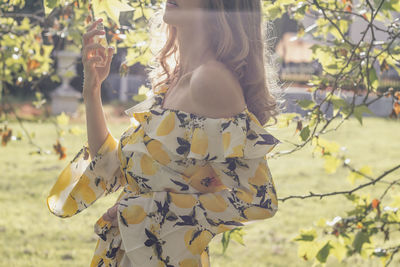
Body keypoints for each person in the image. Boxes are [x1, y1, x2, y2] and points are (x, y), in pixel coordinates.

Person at [47, 0, 281, 266]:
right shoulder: (174, 78)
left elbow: (260, 200)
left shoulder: (211, 81)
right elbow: (115, 169)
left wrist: (149, 209)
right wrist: (92, 89)